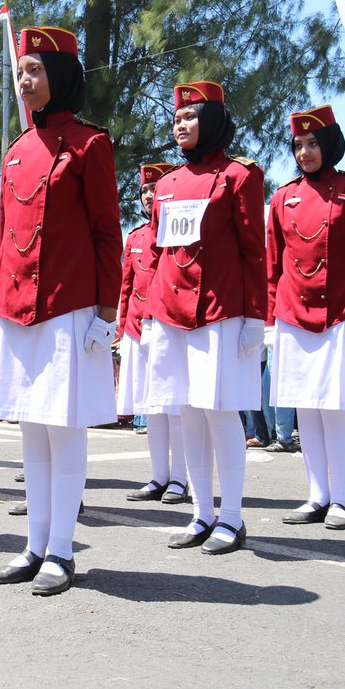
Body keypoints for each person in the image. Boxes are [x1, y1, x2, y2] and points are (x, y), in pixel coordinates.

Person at [0, 29, 121, 594]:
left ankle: (62, 550)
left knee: (64, 431)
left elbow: (108, 235)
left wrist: (105, 313)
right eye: (20, 71)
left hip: (68, 305)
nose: (25, 80)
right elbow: (11, 236)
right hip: (16, 309)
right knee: (31, 430)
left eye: (35, 69)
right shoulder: (16, 150)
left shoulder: (90, 145)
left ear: (59, 74)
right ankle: (33, 546)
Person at [143, 80, 266, 555]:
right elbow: (158, 253)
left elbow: (255, 251)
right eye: (177, 118)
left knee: (219, 413)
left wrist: (256, 314)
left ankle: (232, 518)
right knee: (187, 413)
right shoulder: (167, 183)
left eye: (191, 117)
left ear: (213, 120)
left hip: (218, 310)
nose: (181, 125)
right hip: (171, 313)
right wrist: (152, 313)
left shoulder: (240, 176)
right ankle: (201, 514)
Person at [267, 105, 345, 531]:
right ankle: (316, 495)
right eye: (297, 145)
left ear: (329, 143)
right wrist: (267, 319)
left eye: (313, 143)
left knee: (334, 409)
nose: (304, 152)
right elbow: (273, 264)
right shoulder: (282, 197)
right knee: (305, 410)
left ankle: (342, 500)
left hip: (342, 313)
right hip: (293, 314)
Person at [118, 163, 189, 505]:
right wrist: (120, 326)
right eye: (145, 190)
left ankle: (179, 478)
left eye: (155, 188)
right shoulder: (134, 237)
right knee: (151, 408)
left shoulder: (177, 232)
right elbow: (126, 286)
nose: (149, 195)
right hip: (135, 327)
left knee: (173, 407)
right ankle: (159, 475)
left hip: (166, 324)